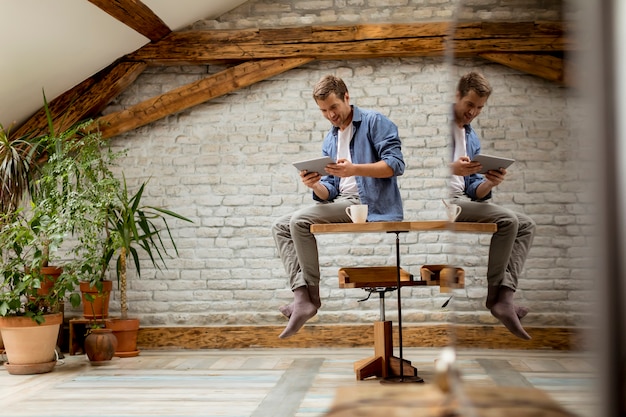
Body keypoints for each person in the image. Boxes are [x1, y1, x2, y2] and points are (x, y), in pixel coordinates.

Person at [272, 74, 405, 339]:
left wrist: (354, 169)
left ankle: (310, 299)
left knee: (299, 221)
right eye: (323, 111)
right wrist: (315, 186)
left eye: (333, 107)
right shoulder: (331, 140)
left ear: (347, 97)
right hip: (344, 203)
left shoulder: (374, 122)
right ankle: (301, 296)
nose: (330, 115)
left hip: (369, 205)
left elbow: (396, 165)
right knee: (281, 226)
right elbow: (330, 191)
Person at [449, 71, 536, 340]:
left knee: (526, 225)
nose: (473, 112)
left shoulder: (470, 136)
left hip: (462, 201)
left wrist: (490, 182)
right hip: (440, 202)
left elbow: (475, 191)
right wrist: (453, 168)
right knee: (508, 220)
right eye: (470, 105)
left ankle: (505, 296)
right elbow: (416, 166)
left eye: (479, 108)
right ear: (457, 97)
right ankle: (496, 299)